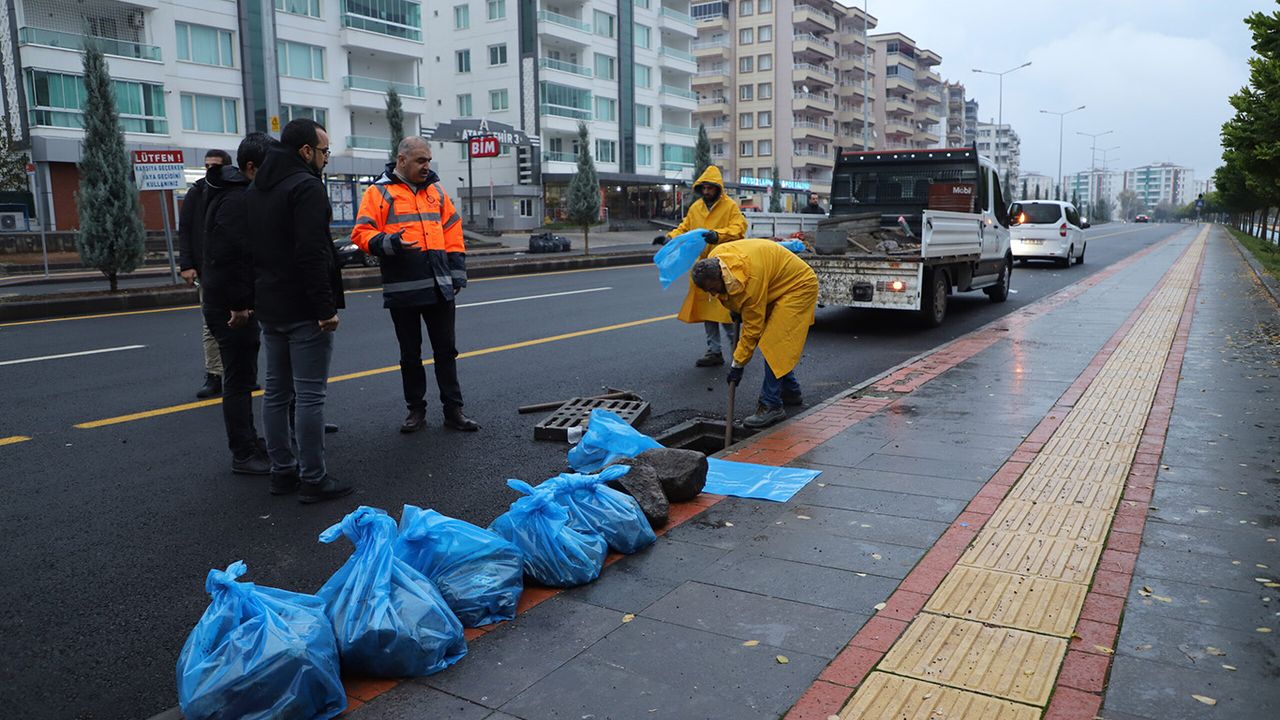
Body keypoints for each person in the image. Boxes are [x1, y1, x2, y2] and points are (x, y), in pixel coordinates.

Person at [247, 118, 351, 503]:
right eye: (324, 151)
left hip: (270, 305)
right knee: (309, 396)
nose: (326, 158)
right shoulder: (306, 187)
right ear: (306, 151)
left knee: (276, 393)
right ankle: (313, 478)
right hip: (304, 309)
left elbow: (249, 251)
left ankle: (282, 472)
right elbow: (311, 253)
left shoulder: (257, 188)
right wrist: (325, 308)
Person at [351, 137, 480, 434]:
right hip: (404, 288)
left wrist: (456, 274)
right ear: (402, 160)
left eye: (428, 160)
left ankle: (453, 410)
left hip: (439, 286)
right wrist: (389, 242)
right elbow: (361, 233)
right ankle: (416, 410)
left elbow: (452, 229)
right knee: (410, 355)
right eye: (421, 160)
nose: (427, 166)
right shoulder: (379, 192)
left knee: (446, 351)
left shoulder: (436, 190)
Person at [690, 238, 819, 429]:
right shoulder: (716, 256)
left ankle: (771, 405)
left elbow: (752, 331)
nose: (713, 294)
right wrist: (735, 307)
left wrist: (738, 365)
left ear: (720, 276)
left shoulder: (750, 284)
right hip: (774, 285)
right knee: (777, 345)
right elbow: (731, 296)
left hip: (798, 286)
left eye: (713, 289)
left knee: (775, 343)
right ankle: (790, 391)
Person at [201, 133, 272, 476]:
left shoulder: (231, 191)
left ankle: (249, 442)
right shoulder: (237, 198)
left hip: (228, 300)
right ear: (251, 167)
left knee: (243, 376)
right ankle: (243, 452)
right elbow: (230, 255)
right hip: (230, 306)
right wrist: (240, 304)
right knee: (239, 379)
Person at [654, 166, 747, 367]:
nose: (706, 191)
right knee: (708, 312)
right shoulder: (696, 208)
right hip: (704, 267)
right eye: (703, 188)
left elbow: (738, 229)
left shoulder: (730, 207)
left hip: (723, 265)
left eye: (710, 188)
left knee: (726, 312)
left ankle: (739, 353)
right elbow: (685, 228)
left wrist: (717, 235)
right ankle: (714, 351)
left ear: (718, 188)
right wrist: (669, 238)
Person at [179, 148, 232, 399]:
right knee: (210, 325)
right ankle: (214, 375)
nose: (210, 170)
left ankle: (242, 373)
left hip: (235, 269)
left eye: (215, 166)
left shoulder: (237, 190)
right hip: (207, 269)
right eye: (207, 166)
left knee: (244, 322)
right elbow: (185, 230)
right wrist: (186, 264)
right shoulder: (197, 192)